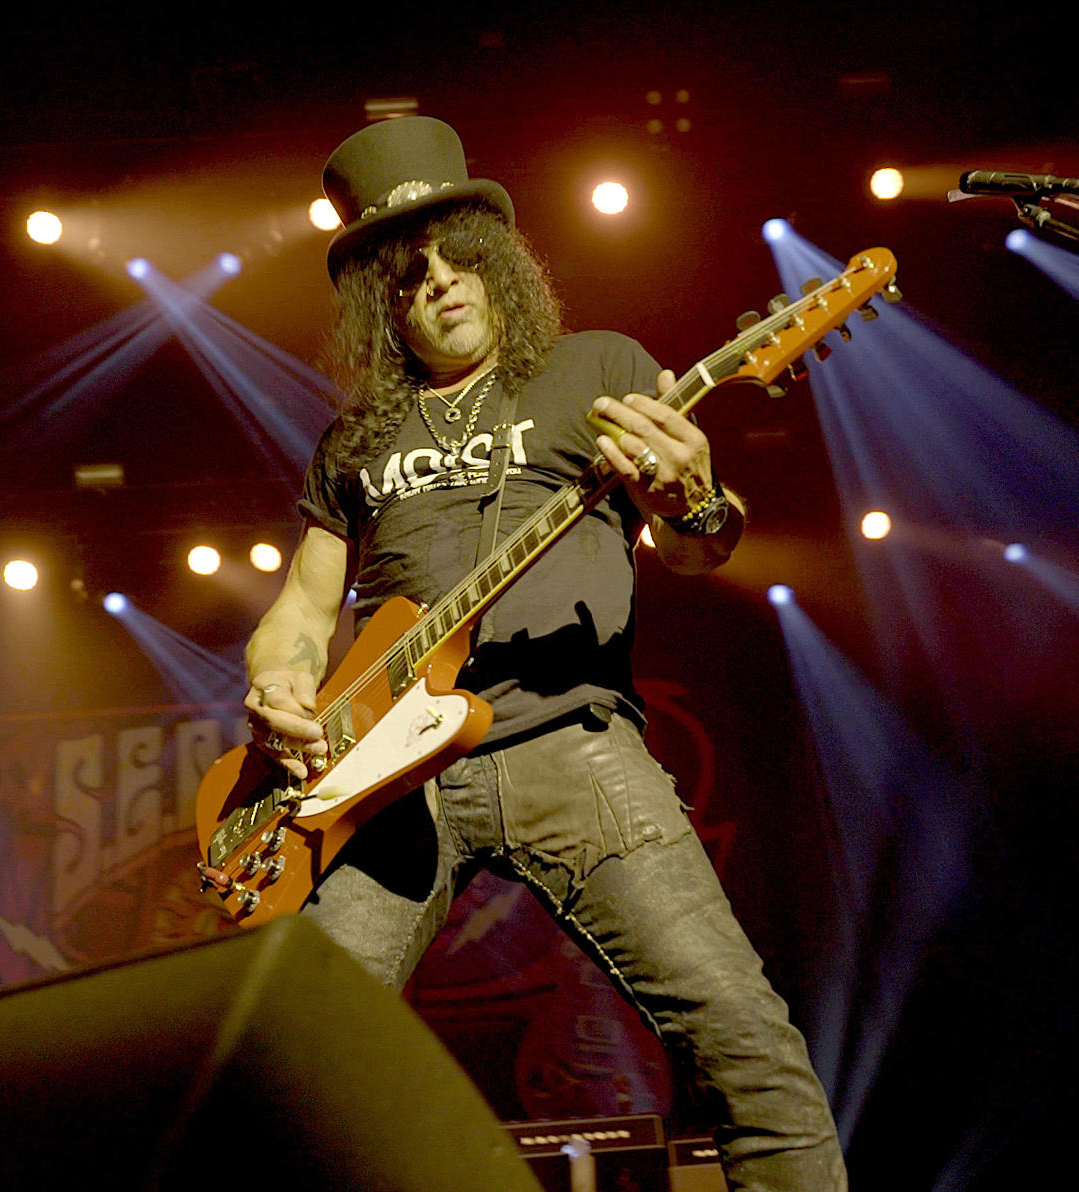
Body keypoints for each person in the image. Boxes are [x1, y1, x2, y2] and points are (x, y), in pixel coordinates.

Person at [241, 116, 846, 1191]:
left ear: (499, 257)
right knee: (283, 1066)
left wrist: (694, 494)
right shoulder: (352, 441)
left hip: (569, 740)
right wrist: (277, 674)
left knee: (746, 1045)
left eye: (457, 251)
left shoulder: (595, 367)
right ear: (380, 301)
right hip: (385, 782)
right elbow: (302, 600)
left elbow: (702, 543)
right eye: (406, 269)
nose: (438, 281)